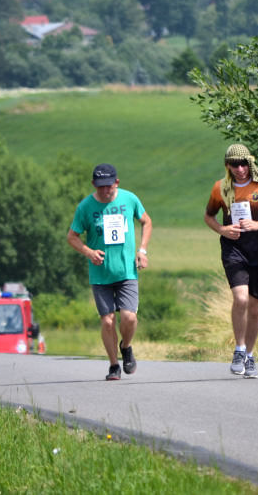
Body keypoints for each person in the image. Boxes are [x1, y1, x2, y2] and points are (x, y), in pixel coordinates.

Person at [204, 144, 258, 379]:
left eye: (243, 164)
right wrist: (222, 229)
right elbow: (208, 216)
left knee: (255, 306)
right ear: (228, 166)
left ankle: (250, 355)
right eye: (234, 165)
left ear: (249, 163)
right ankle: (239, 349)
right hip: (233, 250)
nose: (240, 169)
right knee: (240, 298)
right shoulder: (220, 189)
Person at [67, 163, 152, 381]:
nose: (105, 191)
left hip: (126, 271)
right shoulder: (85, 207)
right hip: (100, 273)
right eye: (100, 186)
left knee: (129, 317)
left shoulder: (129, 199)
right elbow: (72, 237)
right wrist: (88, 252)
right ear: (93, 184)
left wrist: (142, 250)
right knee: (107, 321)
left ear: (117, 182)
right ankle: (114, 365)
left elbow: (146, 221)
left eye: (109, 186)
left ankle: (126, 346)